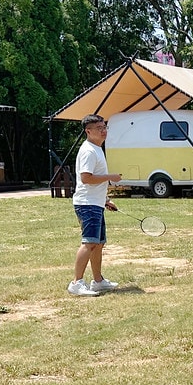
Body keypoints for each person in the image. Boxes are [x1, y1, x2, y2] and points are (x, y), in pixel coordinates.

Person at [68, 114, 122, 297]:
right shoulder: (89, 151)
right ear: (88, 131)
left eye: (104, 127)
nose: (103, 130)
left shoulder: (97, 148)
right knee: (89, 243)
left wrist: (105, 200)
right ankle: (76, 283)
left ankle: (98, 282)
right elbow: (86, 178)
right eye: (99, 128)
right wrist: (111, 177)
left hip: (95, 203)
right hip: (86, 204)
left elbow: (91, 180)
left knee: (98, 244)